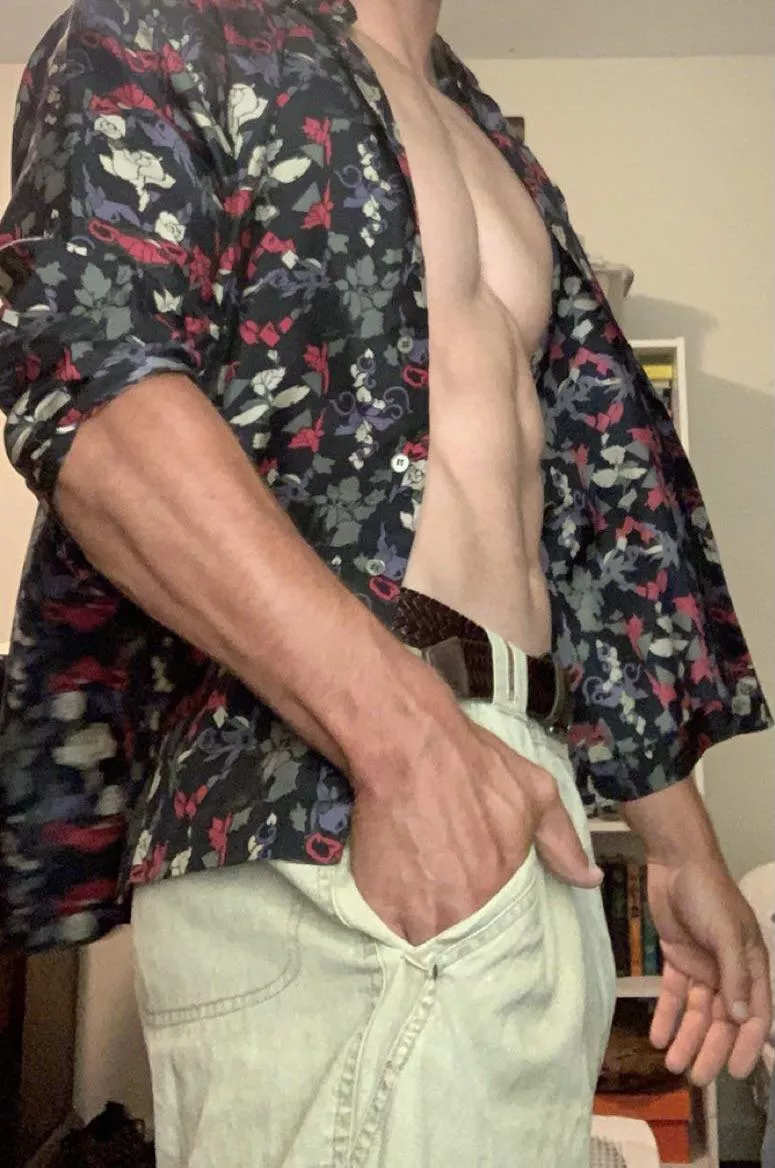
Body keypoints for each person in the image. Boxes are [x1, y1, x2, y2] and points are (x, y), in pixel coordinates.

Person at [0, 1, 771, 1164]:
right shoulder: (173, 23)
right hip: (335, 798)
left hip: (519, 790)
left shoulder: (483, 132)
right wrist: (407, 748)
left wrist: (679, 846)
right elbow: (98, 400)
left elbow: (582, 520)